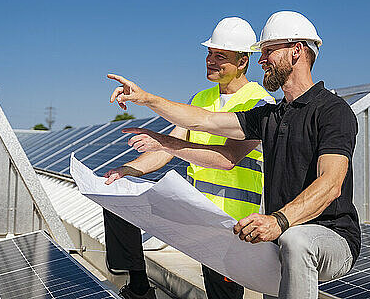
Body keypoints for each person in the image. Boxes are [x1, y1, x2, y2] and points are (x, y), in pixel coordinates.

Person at [108, 11, 361, 299]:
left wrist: (277, 220)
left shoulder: (332, 111)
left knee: (296, 240)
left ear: (296, 51)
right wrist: (146, 99)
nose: (261, 60)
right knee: (288, 247)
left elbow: (331, 184)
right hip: (276, 233)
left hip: (329, 235)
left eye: (267, 51)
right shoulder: (269, 116)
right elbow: (203, 121)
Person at [103, 17, 275, 299]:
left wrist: (165, 142)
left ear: (243, 61)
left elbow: (226, 158)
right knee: (120, 197)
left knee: (222, 294)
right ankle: (138, 287)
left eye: (221, 56)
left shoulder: (259, 104)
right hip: (194, 211)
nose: (210, 60)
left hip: (229, 223)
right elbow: (167, 147)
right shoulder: (200, 99)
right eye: (209, 53)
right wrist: (128, 171)